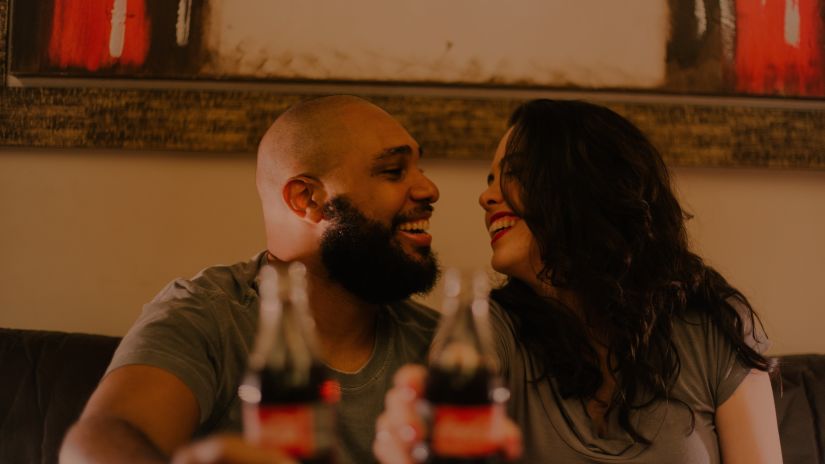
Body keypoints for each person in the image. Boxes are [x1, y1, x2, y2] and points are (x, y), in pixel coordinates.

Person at [375, 99, 783, 463]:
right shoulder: (492, 329)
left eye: (513, 174)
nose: (486, 197)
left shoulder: (712, 325)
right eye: (488, 180)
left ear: (585, 186)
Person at [60, 95, 443, 464]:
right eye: (394, 171)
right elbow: (99, 441)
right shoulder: (207, 316)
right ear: (306, 199)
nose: (429, 189)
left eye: (420, 169)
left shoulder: (440, 342)